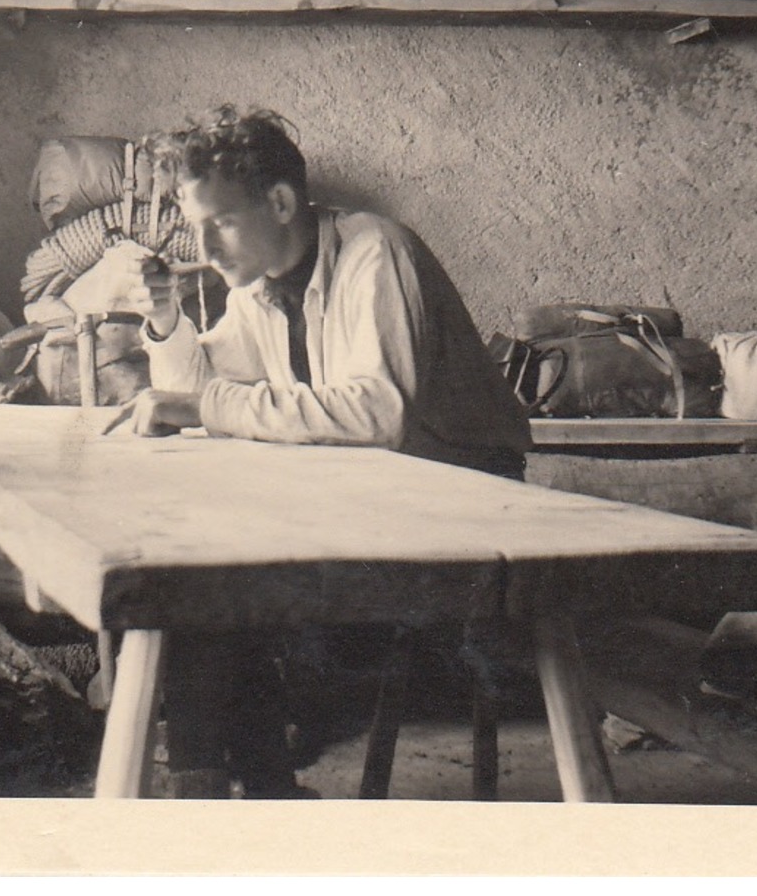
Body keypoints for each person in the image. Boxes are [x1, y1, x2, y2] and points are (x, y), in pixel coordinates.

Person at [117, 105, 532, 798]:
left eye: (218, 223)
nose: (207, 250)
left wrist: (208, 406)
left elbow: (378, 412)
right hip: (372, 497)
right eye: (196, 229)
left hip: (470, 511)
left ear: (280, 202)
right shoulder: (259, 284)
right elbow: (205, 389)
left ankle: (212, 778)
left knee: (213, 560)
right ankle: (241, 775)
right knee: (198, 544)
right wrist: (165, 318)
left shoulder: (376, 252)